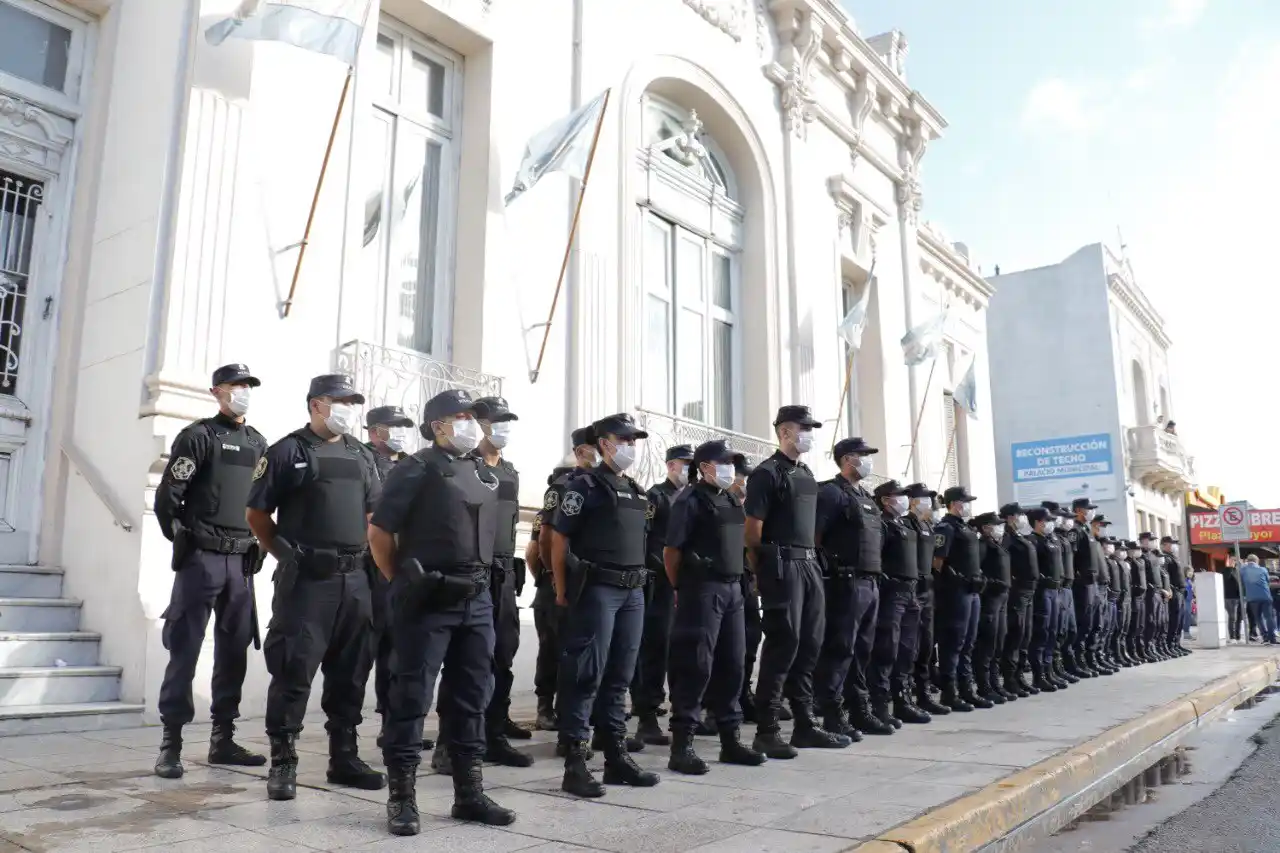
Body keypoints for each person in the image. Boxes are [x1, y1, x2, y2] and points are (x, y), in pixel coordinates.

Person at [369, 389, 515, 834]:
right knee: (411, 699)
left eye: (475, 416)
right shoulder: (415, 468)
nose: (473, 424)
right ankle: (402, 798)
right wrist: (403, 584)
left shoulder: (480, 471)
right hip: (429, 601)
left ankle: (469, 794)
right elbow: (378, 534)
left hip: (477, 600)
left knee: (472, 697)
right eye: (463, 416)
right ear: (437, 426)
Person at [246, 374, 383, 801]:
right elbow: (257, 514)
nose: (348, 408)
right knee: (293, 670)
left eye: (352, 401)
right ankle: (283, 761)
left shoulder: (361, 455)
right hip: (307, 582)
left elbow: (372, 515)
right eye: (339, 400)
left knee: (351, 671)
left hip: (355, 579)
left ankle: (343, 756)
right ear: (316, 405)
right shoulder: (288, 451)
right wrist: (288, 557)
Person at [153, 363, 268, 779]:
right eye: (236, 386)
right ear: (216, 391)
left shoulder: (258, 442)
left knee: (233, 651)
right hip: (201, 559)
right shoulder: (198, 437)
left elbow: (262, 501)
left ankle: (223, 739)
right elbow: (170, 496)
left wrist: (262, 544)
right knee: (184, 648)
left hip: (240, 563)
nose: (242, 392)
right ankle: (172, 743)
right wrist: (181, 537)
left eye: (247, 386)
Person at [548, 413, 661, 798]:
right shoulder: (583, 485)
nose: (630, 445)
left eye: (634, 439)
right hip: (597, 590)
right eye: (623, 438)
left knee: (619, 677)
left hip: (632, 593)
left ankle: (615, 758)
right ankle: (576, 765)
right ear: (604, 442)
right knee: (585, 676)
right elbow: (558, 541)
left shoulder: (635, 489)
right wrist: (562, 589)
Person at [431, 396, 532, 774]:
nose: (502, 429)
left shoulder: (508, 472)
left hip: (502, 573)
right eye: (496, 421)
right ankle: (447, 741)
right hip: (470, 572)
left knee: (502, 655)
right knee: (461, 660)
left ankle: (494, 732)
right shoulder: (463, 468)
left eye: (507, 421)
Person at [746, 406, 846, 757]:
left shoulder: (804, 472)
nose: (810, 434)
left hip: (809, 566)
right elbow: (753, 530)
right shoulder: (766, 473)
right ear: (785, 431)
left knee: (810, 645)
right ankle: (767, 730)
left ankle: (804, 725)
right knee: (783, 645)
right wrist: (761, 573)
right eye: (804, 428)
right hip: (782, 566)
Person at [663, 440, 767, 774]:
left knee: (733, 666)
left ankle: (730, 740)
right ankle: (683, 745)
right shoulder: (690, 500)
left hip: (733, 590)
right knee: (695, 666)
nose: (730, 470)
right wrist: (682, 587)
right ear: (705, 466)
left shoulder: (731, 500)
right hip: (702, 590)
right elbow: (671, 552)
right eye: (724, 464)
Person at [814, 437, 888, 740]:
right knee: (840, 649)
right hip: (846, 582)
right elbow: (816, 536)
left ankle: (860, 709)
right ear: (847, 459)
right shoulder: (831, 493)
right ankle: (833, 713)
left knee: (862, 650)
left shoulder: (867, 498)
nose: (867, 460)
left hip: (870, 581)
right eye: (862, 455)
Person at [361, 405, 422, 750]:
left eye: (404, 426)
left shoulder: (412, 465)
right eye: (393, 426)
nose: (400, 432)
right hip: (366, 568)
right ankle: (345, 737)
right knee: (362, 651)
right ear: (374, 431)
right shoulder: (362, 460)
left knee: (399, 653)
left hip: (403, 568)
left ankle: (393, 725)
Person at [534, 426, 598, 732]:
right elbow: (543, 541)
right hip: (559, 581)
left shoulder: (603, 485)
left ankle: (574, 710)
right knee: (553, 646)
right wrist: (552, 576)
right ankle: (545, 705)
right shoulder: (560, 488)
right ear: (580, 452)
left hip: (589, 582)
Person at [632, 444, 694, 747]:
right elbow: (645, 540)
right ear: (671, 465)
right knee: (655, 650)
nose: (688, 469)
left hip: (690, 586)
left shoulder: (695, 497)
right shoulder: (655, 496)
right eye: (684, 464)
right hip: (661, 585)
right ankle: (646, 716)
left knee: (683, 652)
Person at [867, 480, 931, 725]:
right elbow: (876, 558)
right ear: (885, 499)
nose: (905, 499)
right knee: (886, 651)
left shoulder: (900, 524)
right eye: (899, 495)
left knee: (907, 651)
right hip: (892, 593)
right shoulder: (881, 524)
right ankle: (880, 706)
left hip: (910, 592)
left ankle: (903, 701)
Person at [933, 486, 987, 711]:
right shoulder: (945, 527)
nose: (968, 506)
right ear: (955, 503)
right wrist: (955, 581)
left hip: (972, 591)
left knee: (968, 642)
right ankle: (950, 692)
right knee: (953, 643)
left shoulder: (964, 527)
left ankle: (966, 690)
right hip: (955, 593)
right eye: (965, 502)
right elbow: (938, 562)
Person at [906, 485, 950, 716]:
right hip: (910, 591)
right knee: (908, 648)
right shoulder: (905, 524)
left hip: (927, 590)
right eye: (925, 500)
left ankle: (924, 696)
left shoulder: (927, 526)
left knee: (926, 647)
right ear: (912, 501)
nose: (930, 505)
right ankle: (904, 698)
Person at [971, 511, 1012, 704]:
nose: (1000, 528)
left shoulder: (996, 544)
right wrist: (992, 583)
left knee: (998, 643)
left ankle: (995, 683)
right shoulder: (981, 546)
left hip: (1002, 598)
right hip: (990, 599)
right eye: (996, 525)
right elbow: (976, 572)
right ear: (985, 528)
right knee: (987, 645)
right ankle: (984, 686)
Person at [1000, 503, 1038, 698]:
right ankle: (1010, 679)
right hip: (1017, 592)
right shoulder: (1006, 537)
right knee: (1016, 635)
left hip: (1028, 591)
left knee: (1025, 636)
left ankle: (1020, 676)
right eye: (1018, 515)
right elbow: (1003, 562)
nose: (1022, 518)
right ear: (1009, 517)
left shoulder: (1019, 536)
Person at [1026, 508, 1063, 692]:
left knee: (1052, 632)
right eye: (1046, 520)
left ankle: (1048, 672)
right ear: (1038, 522)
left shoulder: (1050, 540)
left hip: (1054, 591)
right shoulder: (1032, 541)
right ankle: (1038, 675)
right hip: (1042, 592)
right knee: (1041, 633)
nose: (1050, 524)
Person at [1160, 536, 1190, 656]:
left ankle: (1177, 644)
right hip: (1174, 592)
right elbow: (1165, 576)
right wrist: (1170, 589)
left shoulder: (1174, 557)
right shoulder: (1165, 558)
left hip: (1181, 592)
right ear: (1164, 545)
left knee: (1180, 620)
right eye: (1171, 543)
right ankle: (1170, 644)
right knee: (1174, 620)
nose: (1174, 546)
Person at [1239, 555, 1277, 644]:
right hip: (1265, 596)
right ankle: (1272, 639)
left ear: (1248, 561)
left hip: (1252, 597)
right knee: (1269, 617)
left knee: (1258, 618)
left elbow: (1241, 582)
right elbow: (1267, 581)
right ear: (1257, 561)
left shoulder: (1243, 570)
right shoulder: (1263, 569)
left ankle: (1265, 637)